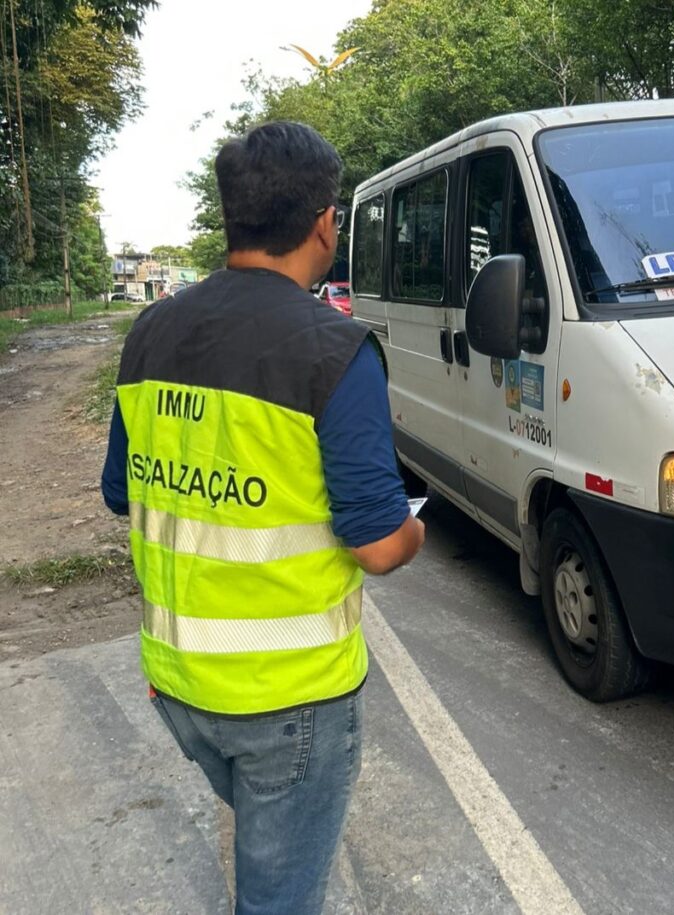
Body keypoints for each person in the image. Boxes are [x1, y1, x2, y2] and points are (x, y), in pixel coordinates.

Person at [101, 121, 425, 914]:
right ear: (323, 222)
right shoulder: (333, 348)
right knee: (277, 897)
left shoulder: (152, 331)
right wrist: (416, 524)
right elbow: (380, 547)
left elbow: (123, 489)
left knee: (265, 855)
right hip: (289, 702)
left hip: (178, 685)